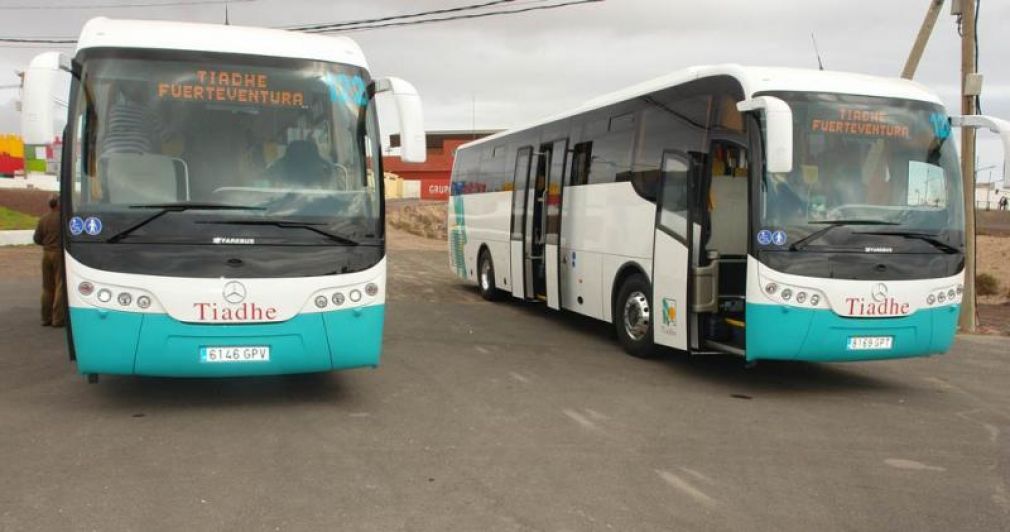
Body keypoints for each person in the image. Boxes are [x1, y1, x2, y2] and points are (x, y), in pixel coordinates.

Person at [32, 196, 66, 327]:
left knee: (47, 287)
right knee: (60, 285)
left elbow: (37, 239)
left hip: (46, 254)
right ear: (58, 204)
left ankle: (46, 318)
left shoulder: (43, 219)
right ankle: (58, 319)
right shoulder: (63, 219)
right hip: (59, 254)